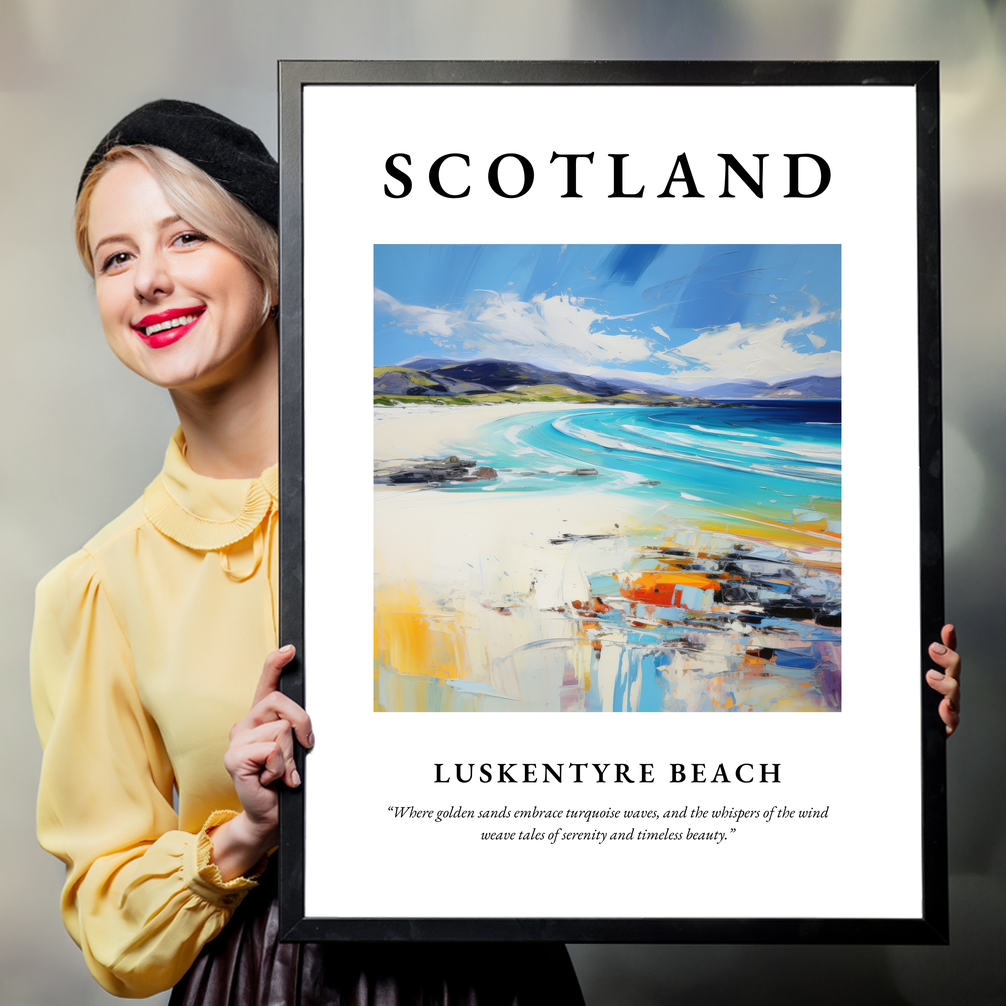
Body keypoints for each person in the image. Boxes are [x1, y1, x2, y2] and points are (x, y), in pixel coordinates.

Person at [30, 100, 586, 1004]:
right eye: (116, 257)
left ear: (272, 263)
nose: (148, 281)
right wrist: (245, 832)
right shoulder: (97, 587)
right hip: (262, 982)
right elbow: (110, 923)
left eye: (185, 239)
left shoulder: (447, 497)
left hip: (493, 973)